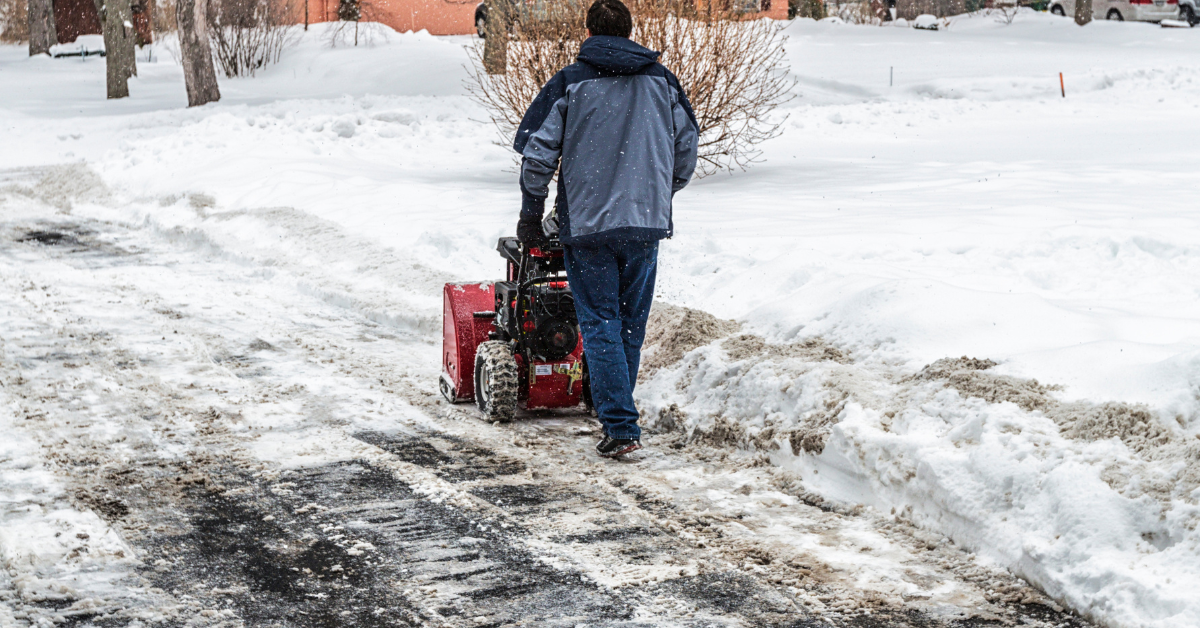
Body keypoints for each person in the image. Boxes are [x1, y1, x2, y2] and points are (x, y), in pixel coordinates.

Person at [512, 0, 699, 458]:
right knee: (630, 324)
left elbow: (535, 153)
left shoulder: (571, 82)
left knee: (599, 322)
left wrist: (531, 214)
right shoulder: (662, 80)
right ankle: (608, 402)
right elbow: (687, 146)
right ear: (630, 31)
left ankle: (618, 424)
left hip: (590, 226)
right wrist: (661, 191)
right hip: (645, 223)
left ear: (590, 31)